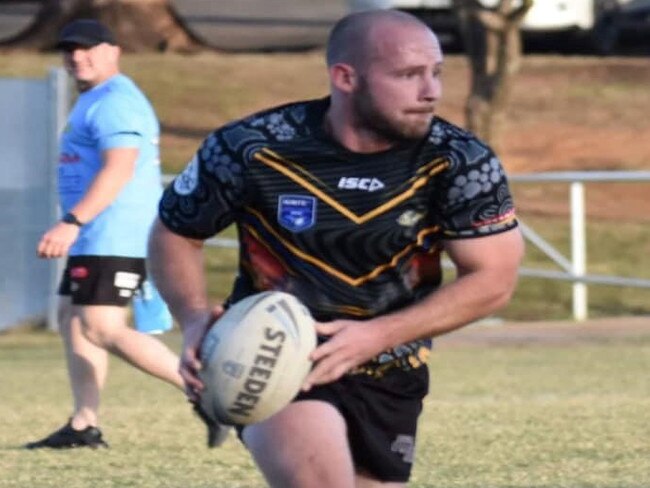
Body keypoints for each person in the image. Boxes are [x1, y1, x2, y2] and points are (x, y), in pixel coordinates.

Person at [148, 9, 524, 487]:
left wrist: (378, 335)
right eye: (409, 75)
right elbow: (176, 230)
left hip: (392, 369)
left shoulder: (459, 161)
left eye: (436, 73)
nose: (431, 91)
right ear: (346, 77)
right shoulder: (253, 148)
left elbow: (493, 279)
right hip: (278, 358)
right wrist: (196, 315)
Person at [26, 19, 227, 450]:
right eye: (69, 50)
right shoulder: (98, 99)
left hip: (114, 233)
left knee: (99, 326)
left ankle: (206, 394)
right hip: (98, 234)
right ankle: (84, 424)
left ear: (113, 50)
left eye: (88, 48)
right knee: (72, 318)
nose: (77, 57)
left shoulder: (116, 102)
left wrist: (72, 221)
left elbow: (119, 169)